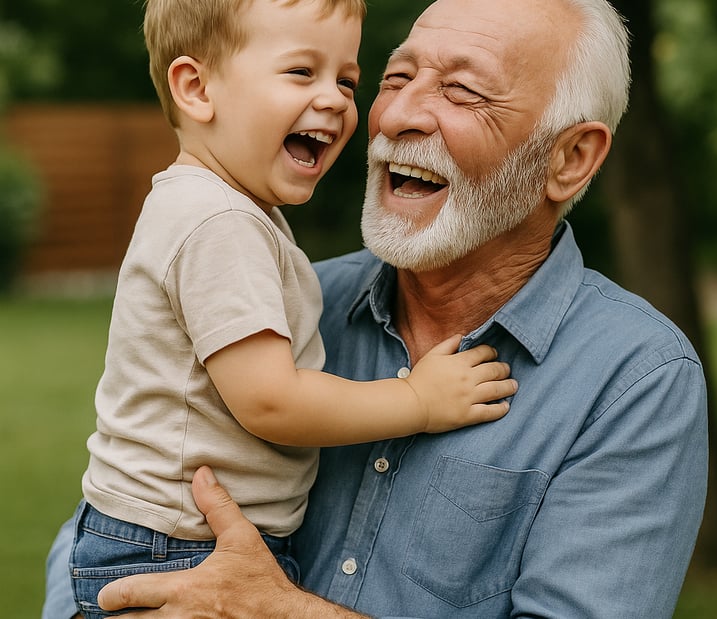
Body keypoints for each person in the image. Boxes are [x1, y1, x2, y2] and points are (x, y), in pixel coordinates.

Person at [44, 0, 709, 617]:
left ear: (569, 158)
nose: (393, 116)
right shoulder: (293, 299)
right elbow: (107, 514)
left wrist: (281, 609)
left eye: (461, 90)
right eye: (396, 79)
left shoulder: (637, 380)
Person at [56, 0, 519, 617]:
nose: (333, 99)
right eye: (301, 72)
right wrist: (418, 402)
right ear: (197, 88)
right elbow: (269, 400)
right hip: (174, 548)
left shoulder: (226, 210)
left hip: (181, 538)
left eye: (347, 81)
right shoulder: (218, 221)